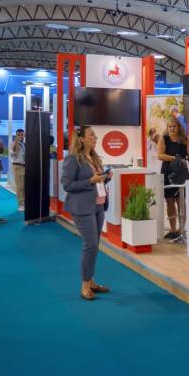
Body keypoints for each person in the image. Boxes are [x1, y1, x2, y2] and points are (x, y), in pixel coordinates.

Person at [61, 126, 112, 301]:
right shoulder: (72, 158)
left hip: (98, 205)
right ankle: (85, 285)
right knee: (90, 245)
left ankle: (91, 281)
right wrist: (90, 180)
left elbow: (96, 181)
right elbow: (67, 185)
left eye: (95, 136)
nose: (95, 138)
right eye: (91, 135)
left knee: (94, 246)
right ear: (81, 138)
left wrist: (105, 177)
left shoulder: (94, 157)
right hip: (82, 207)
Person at [158, 117, 189, 238]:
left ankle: (181, 230)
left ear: (179, 127)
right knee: (169, 201)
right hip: (168, 172)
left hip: (181, 174)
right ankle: (173, 230)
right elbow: (160, 155)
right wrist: (175, 158)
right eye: (170, 127)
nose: (172, 129)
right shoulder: (164, 139)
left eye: (174, 126)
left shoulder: (185, 140)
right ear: (167, 128)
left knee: (181, 201)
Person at [10, 128, 26, 211]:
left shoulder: (25, 144)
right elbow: (12, 153)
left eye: (22, 134)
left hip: (26, 166)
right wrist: (16, 142)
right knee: (20, 186)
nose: (20, 136)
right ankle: (21, 204)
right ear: (16, 135)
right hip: (18, 166)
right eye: (18, 135)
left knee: (26, 186)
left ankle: (26, 202)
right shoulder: (13, 143)